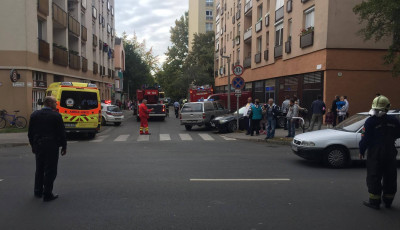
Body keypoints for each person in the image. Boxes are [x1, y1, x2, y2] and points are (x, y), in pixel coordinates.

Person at [359, 95, 400, 210]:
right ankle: (388, 201)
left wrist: (361, 151)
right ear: (387, 107)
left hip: (375, 152)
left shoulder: (370, 121)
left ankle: (374, 202)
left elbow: (365, 138)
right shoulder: (394, 120)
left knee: (374, 175)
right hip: (390, 151)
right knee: (390, 175)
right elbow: (398, 133)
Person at [28, 96, 67, 202]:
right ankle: (47, 193)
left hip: (39, 144)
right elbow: (61, 133)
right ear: (49, 103)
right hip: (51, 145)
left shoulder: (34, 115)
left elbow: (30, 132)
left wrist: (32, 145)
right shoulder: (56, 116)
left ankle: (38, 191)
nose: (56, 104)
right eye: (55, 102)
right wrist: (64, 146)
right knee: (50, 170)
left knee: (39, 168)